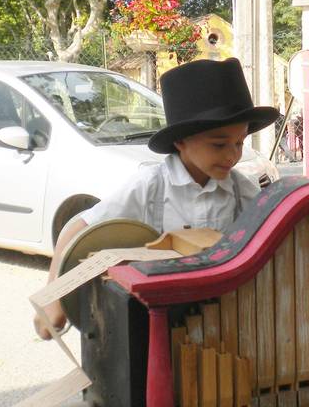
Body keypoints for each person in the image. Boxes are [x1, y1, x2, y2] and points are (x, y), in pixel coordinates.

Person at [33, 57, 279, 340]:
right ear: (181, 141)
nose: (232, 155)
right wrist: (52, 300)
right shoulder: (150, 186)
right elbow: (77, 227)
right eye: (219, 144)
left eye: (239, 142)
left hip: (220, 320)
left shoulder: (240, 189)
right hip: (160, 322)